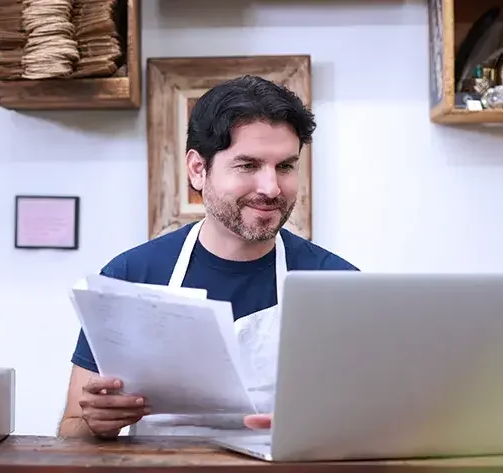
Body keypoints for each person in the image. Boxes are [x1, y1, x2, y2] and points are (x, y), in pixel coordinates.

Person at [57, 75, 358, 439]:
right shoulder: (129, 275)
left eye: (285, 166)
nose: (271, 188)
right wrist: (95, 422)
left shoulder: (339, 284)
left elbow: (367, 427)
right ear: (198, 170)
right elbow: (72, 428)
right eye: (248, 166)